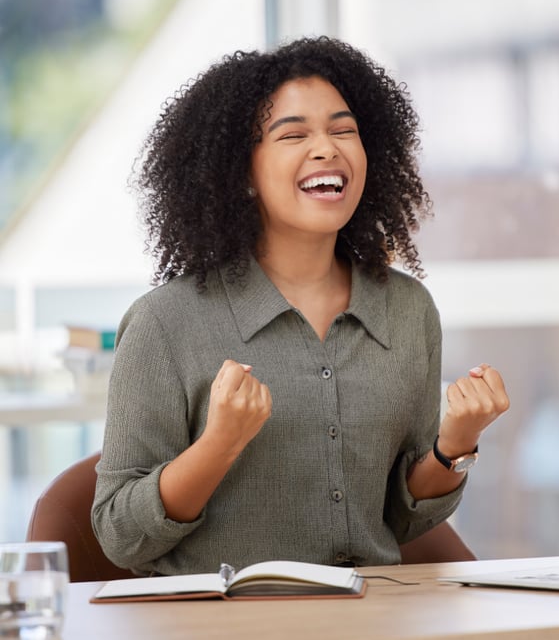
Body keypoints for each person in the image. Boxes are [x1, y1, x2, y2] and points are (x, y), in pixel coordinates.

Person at [91, 36, 509, 576]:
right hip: (225, 627)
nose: (326, 148)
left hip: (372, 617)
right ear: (240, 173)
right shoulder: (164, 323)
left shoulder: (408, 310)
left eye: (344, 130)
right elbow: (119, 536)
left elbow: (397, 523)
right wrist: (220, 444)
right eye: (293, 134)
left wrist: (455, 444)